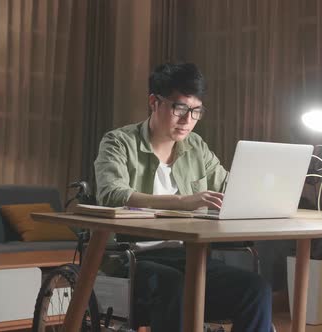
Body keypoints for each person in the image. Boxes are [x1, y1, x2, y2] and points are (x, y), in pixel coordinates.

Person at [94, 63, 273, 332]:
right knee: (172, 284)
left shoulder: (196, 147)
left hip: (189, 257)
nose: (187, 120)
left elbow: (227, 184)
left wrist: (267, 187)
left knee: (255, 288)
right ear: (154, 102)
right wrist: (183, 202)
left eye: (196, 111)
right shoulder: (119, 142)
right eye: (180, 109)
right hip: (132, 258)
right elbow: (111, 194)